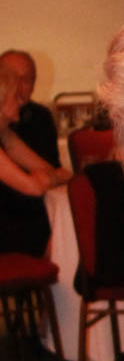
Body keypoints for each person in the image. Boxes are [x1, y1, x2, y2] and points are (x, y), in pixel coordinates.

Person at [0, 62, 72, 256]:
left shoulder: (5, 135)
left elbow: (50, 171)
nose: (22, 101)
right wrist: (50, 178)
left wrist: (50, 177)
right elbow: (35, 187)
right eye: (16, 96)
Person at [0, 49, 60, 167]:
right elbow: (34, 185)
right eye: (11, 78)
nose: (18, 86)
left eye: (26, 80)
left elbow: (50, 170)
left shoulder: (40, 117)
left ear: (33, 86)